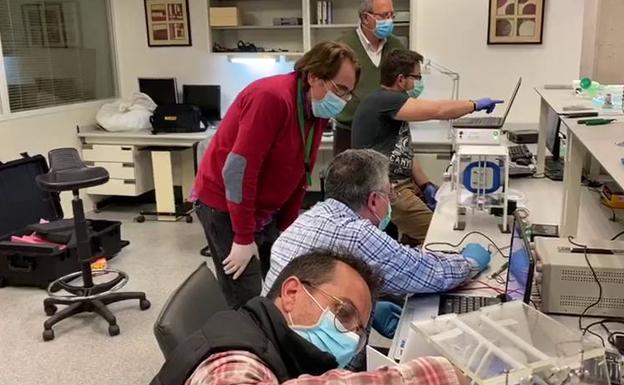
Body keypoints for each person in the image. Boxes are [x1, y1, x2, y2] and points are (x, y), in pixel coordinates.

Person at [194, 41, 360, 308]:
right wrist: (243, 237)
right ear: (314, 76)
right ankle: (245, 344)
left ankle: (274, 339)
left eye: (348, 94)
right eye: (339, 89)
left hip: (265, 207)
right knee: (246, 294)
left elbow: (300, 170)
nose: (341, 100)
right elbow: (238, 172)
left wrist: (286, 227)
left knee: (281, 281)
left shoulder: (313, 109)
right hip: (225, 205)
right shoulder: (272, 98)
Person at [150, 250, 469, 385]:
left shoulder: (275, 344)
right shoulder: (232, 359)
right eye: (343, 313)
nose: (349, 338)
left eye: (358, 331)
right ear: (291, 294)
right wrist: (435, 374)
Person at [263, 149, 491, 298]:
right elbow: (431, 274)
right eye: (388, 194)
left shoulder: (309, 217)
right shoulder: (357, 233)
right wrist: (470, 262)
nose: (390, 201)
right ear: (373, 200)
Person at [351, 49, 503, 245]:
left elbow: (405, 150)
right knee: (440, 235)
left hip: (397, 184)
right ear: (400, 79)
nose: (418, 83)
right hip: (386, 189)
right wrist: (474, 104)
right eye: (417, 77)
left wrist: (426, 185)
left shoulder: (390, 105)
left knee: (431, 224)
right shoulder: (387, 100)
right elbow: (439, 110)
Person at [333, 0, 404, 156]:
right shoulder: (343, 47)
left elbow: (404, 84)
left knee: (384, 179)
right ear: (366, 18)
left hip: (386, 133)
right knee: (348, 178)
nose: (390, 20)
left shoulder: (396, 46)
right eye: (385, 15)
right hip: (349, 132)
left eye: (392, 15)